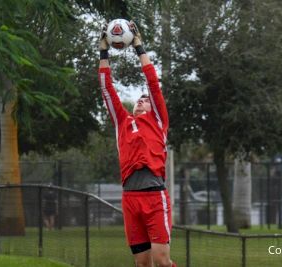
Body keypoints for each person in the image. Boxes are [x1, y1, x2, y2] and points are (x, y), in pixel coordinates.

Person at [98, 21, 176, 267]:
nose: (143, 100)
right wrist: (103, 52)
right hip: (130, 199)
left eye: (146, 99)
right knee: (142, 264)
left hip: (155, 197)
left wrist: (139, 47)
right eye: (139, 99)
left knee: (162, 261)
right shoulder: (122, 121)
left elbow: (153, 84)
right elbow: (107, 90)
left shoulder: (158, 121)